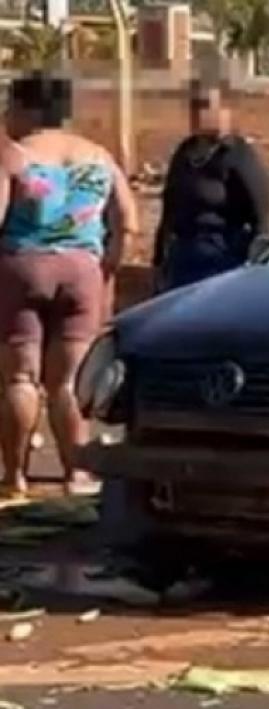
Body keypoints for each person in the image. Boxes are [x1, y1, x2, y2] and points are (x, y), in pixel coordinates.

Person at [0, 72, 138, 498]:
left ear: (28, 109)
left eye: (10, 106)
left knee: (20, 378)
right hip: (83, 271)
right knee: (68, 381)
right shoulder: (98, 156)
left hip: (22, 265)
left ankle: (15, 477)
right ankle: (75, 473)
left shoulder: (15, 155)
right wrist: (106, 269)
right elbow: (127, 222)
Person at [153, 78, 269, 292]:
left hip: (221, 259)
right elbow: (168, 210)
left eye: (205, 105)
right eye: (193, 105)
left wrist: (253, 265)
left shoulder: (238, 155)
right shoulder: (185, 152)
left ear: (224, 110)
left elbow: (262, 219)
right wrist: (159, 260)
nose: (197, 113)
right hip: (182, 259)